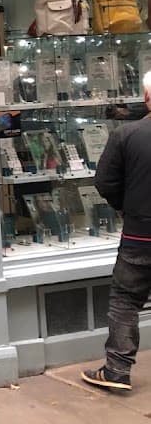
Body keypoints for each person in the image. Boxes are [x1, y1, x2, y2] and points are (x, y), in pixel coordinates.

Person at [82, 70, 151, 392]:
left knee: (125, 301)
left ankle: (117, 371)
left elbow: (105, 182)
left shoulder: (127, 135)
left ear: (146, 97)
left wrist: (126, 207)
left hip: (140, 234)